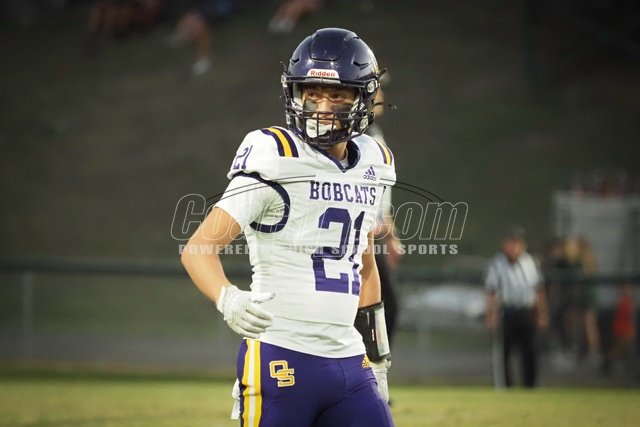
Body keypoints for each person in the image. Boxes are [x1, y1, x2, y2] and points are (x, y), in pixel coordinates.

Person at [182, 28, 395, 426]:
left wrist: (379, 358)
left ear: (363, 99)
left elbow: (365, 269)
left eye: (337, 95)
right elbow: (198, 248)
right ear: (294, 94)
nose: (322, 107)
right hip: (281, 354)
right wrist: (228, 298)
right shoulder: (275, 154)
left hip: (351, 361)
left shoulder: (374, 161)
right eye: (312, 93)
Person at [484, 225, 549, 388]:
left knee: (529, 350)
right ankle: (506, 386)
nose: (513, 247)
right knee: (504, 352)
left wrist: (542, 312)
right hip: (507, 311)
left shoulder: (530, 262)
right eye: (510, 243)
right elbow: (491, 291)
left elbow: (538, 290)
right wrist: (490, 314)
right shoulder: (497, 264)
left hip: (526, 311)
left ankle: (530, 386)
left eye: (517, 243)